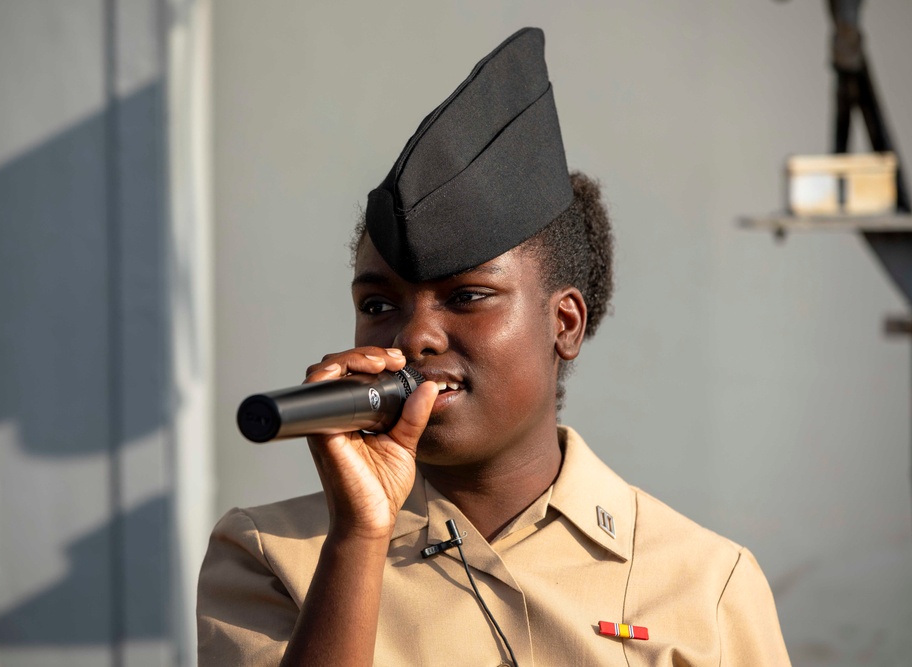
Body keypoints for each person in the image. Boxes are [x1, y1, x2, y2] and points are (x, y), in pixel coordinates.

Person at [197, 28, 791, 666]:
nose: (413, 336)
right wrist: (360, 537)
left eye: (467, 296)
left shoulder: (704, 583)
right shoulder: (270, 554)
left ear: (563, 325)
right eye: (377, 305)